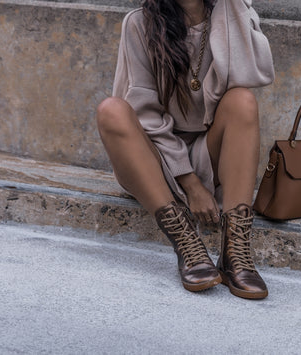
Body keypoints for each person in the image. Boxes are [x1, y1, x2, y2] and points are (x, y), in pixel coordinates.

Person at [96, 0, 274, 299]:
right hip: (154, 159)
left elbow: (256, 73)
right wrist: (190, 184)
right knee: (111, 110)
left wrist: (234, 10)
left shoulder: (228, 15)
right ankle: (186, 241)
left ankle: (236, 253)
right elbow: (145, 115)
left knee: (242, 100)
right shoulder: (140, 23)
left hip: (209, 152)